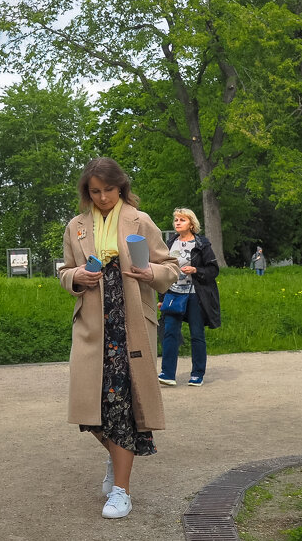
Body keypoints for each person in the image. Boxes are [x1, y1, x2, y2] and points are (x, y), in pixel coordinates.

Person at [58, 158, 178, 520]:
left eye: (109, 190)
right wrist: (78, 275)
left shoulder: (140, 221)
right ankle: (115, 456)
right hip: (93, 327)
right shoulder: (76, 226)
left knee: (124, 407)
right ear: (87, 192)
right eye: (95, 191)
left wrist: (149, 271)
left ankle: (122, 491)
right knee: (91, 411)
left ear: (121, 187)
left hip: (131, 327)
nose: (103, 197)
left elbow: (169, 267)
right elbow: (64, 272)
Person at [158, 208, 221, 389]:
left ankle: (197, 374)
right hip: (173, 293)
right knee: (170, 333)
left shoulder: (202, 244)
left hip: (195, 295)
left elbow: (213, 270)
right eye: (176, 219)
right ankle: (168, 374)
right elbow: (164, 272)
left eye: (182, 220)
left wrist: (195, 270)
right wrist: (162, 297)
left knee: (197, 334)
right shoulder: (169, 244)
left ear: (191, 224)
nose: (177, 222)